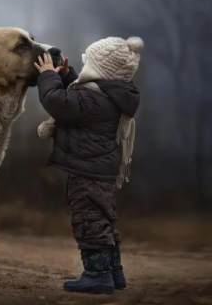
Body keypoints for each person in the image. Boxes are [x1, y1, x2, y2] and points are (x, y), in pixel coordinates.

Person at [34, 36, 143, 294]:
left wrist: (48, 76)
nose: (84, 69)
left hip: (87, 172)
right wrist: (66, 75)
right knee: (104, 219)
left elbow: (56, 101)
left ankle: (97, 275)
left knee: (89, 220)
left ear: (100, 70)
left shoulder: (93, 101)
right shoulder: (108, 95)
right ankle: (114, 272)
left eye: (88, 63)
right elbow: (78, 95)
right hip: (101, 171)